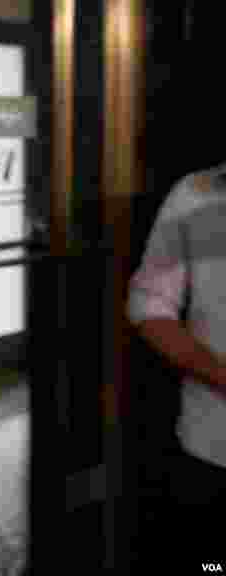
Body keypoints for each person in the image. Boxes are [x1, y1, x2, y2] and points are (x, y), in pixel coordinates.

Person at [128, 164, 226, 561]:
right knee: (212, 567)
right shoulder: (194, 193)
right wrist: (218, 374)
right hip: (213, 445)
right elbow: (150, 300)